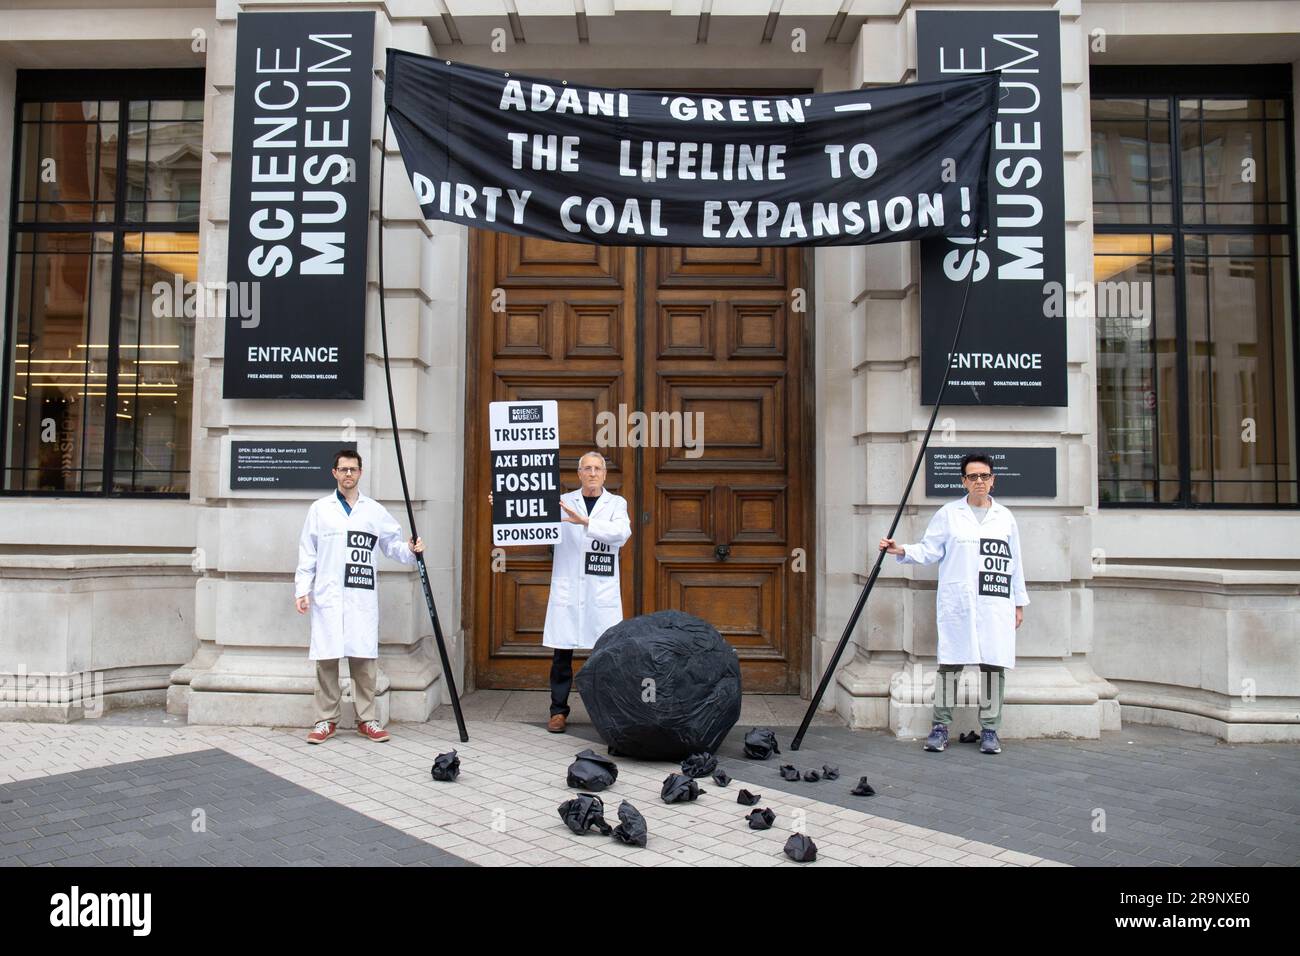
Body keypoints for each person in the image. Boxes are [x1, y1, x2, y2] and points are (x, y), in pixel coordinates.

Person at [879, 452, 1028, 755]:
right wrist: (901, 550)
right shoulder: (949, 514)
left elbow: (1015, 563)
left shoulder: (1005, 518)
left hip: (994, 599)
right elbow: (929, 549)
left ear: (993, 480)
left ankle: (990, 730)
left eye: (984, 476)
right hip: (958, 601)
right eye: (972, 476)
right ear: (963, 481)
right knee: (950, 666)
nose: (979, 481)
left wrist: (1018, 602)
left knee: (992, 666)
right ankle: (940, 727)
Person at [490, 451, 632, 733]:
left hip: (599, 591)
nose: (592, 473)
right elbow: (532, 521)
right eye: (586, 468)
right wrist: (503, 505)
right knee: (562, 655)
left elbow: (622, 533)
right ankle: (558, 711)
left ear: (605, 474)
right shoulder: (564, 502)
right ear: (578, 474)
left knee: (605, 655)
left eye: (597, 468)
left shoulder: (616, 503)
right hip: (569, 587)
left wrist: (586, 523)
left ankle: (606, 711)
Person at [295, 450, 423, 745]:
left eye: (353, 469)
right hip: (328, 595)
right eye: (343, 469)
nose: (348, 474)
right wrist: (302, 589)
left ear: (360, 473)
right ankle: (325, 720)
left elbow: (393, 545)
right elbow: (307, 552)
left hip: (360, 595)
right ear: (334, 473)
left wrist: (413, 551)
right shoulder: (320, 509)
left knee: (364, 661)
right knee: (326, 661)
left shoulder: (374, 511)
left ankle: (368, 719)